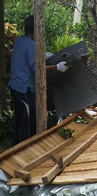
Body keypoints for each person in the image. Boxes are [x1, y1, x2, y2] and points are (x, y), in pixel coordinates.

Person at [9, 15, 69, 144]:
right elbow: (37, 68)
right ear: (37, 29)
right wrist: (56, 68)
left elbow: (32, 60)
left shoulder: (20, 41)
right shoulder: (31, 45)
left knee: (21, 120)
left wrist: (49, 58)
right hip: (23, 88)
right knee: (28, 121)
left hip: (16, 87)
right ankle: (24, 151)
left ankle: (16, 149)